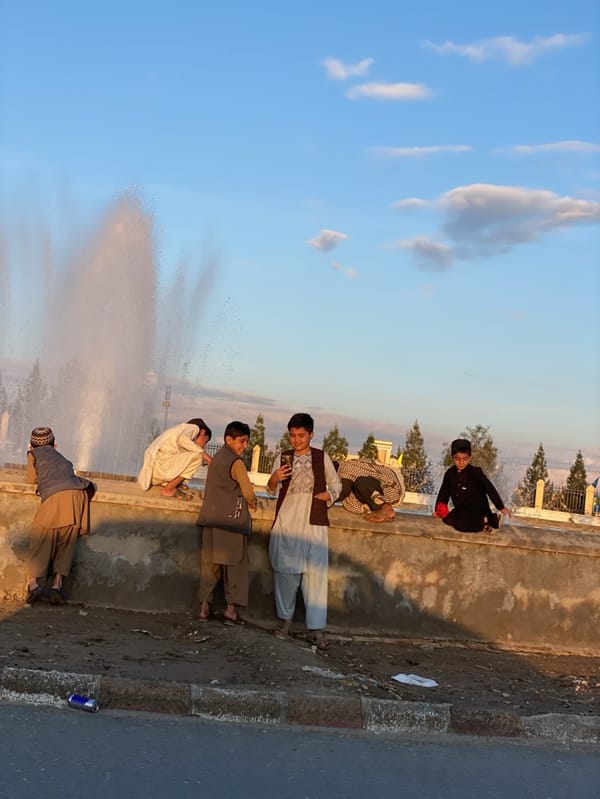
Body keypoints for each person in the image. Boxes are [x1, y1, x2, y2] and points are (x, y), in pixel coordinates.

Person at [266, 413, 342, 650]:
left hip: (314, 523)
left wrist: (329, 495)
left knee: (315, 576)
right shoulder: (283, 458)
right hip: (288, 523)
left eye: (301, 435)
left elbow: (336, 483)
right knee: (286, 574)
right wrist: (274, 478)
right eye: (292, 435)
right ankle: (285, 621)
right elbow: (270, 490)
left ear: (311, 434)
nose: (296, 440)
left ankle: (316, 629)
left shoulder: (321, 458)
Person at [24, 426, 95, 605]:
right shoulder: (62, 458)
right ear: (54, 444)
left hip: (57, 496)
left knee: (40, 538)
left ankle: (33, 585)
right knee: (67, 542)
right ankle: (57, 586)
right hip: (77, 496)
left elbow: (31, 479)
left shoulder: (34, 454)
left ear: (32, 445)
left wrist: (29, 454)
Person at [196, 421, 257, 625]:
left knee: (209, 567)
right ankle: (231, 611)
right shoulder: (236, 462)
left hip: (211, 521)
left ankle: (204, 607)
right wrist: (254, 503)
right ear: (228, 439)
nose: (244, 446)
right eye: (241, 441)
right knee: (235, 568)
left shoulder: (217, 459)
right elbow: (248, 492)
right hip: (231, 522)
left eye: (246, 442)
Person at [434, 438, 511, 533]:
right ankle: (485, 525)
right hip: (462, 510)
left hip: (478, 510)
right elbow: (443, 493)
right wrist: (438, 509)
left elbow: (489, 488)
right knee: (448, 519)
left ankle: (490, 518)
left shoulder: (476, 472)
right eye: (457, 459)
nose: (461, 462)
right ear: (452, 457)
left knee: (461, 524)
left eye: (464, 459)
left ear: (470, 458)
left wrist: (500, 507)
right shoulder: (450, 474)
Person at [137, 418, 212, 499]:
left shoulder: (179, 431)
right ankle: (168, 489)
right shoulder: (193, 428)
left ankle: (174, 484)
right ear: (202, 432)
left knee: (190, 456)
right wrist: (205, 455)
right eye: (205, 441)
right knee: (198, 457)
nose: (203, 445)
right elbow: (182, 440)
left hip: (153, 474)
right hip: (160, 469)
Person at [337, 458, 405, 522]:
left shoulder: (346, 468)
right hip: (378, 491)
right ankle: (378, 506)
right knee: (358, 487)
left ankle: (386, 508)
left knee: (362, 483)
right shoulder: (344, 470)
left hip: (392, 488)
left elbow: (344, 491)